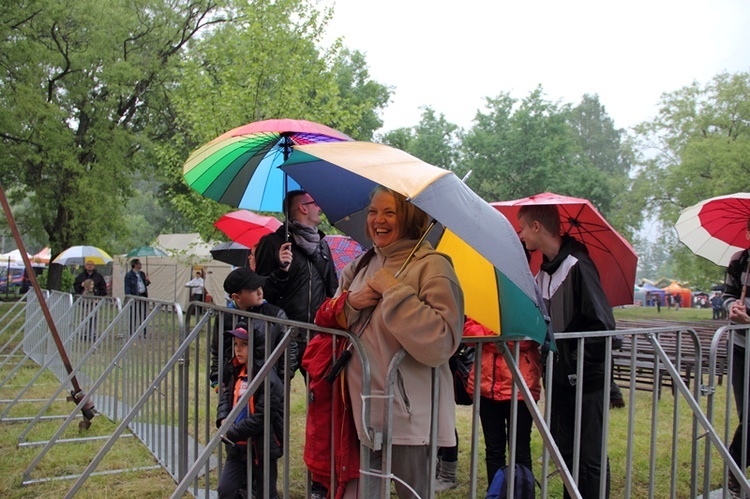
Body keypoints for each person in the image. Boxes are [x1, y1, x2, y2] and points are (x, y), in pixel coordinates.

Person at [315, 186, 464, 498]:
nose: (377, 220)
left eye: (389, 212)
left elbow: (442, 340)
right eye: (373, 211)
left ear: (409, 218)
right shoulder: (361, 264)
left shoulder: (434, 266)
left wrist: (395, 292)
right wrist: (352, 302)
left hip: (408, 417)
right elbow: (329, 320)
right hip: (358, 411)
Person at [517, 204, 614, 499]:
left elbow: (603, 325)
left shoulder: (578, 265)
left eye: (522, 229)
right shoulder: (543, 272)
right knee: (565, 447)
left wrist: (577, 366)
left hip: (585, 380)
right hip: (558, 378)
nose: (520, 235)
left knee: (590, 454)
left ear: (536, 226)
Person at [254, 190, 338, 374]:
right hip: (282, 334)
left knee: (320, 395)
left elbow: (332, 288)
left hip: (316, 334)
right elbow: (261, 292)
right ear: (303, 208)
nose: (320, 207)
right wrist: (281, 271)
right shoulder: (272, 243)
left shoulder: (322, 245)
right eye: (315, 203)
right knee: (274, 394)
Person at [463, 316, 542, 488]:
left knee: (520, 451)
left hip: (519, 389)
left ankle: (522, 493)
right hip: (486, 387)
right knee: (493, 451)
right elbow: (468, 333)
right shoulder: (483, 303)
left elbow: (523, 339)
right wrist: (500, 337)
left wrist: (487, 337)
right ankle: (497, 492)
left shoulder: (523, 302)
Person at [216, 325, 284, 499]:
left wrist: (231, 432)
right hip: (237, 446)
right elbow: (226, 397)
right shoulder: (235, 370)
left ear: (257, 347)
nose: (238, 349)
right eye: (236, 344)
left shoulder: (269, 378)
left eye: (244, 344)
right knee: (225, 491)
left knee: (266, 493)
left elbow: (261, 417)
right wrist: (223, 418)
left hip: (262, 446)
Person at [209, 268, 298, 394]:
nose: (259, 292)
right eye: (252, 290)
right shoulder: (225, 317)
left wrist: (282, 379)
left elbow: (290, 348)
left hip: (268, 385)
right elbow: (218, 349)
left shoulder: (275, 314)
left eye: (259, 286)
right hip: (234, 385)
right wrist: (217, 378)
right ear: (236, 297)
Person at [722, 227, 750, 495]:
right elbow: (727, 294)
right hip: (741, 348)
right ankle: (736, 469)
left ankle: (735, 467)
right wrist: (732, 306)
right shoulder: (739, 261)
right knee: (746, 414)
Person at [124, 259, 150, 336]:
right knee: (134, 314)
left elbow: (144, 284)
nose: (141, 265)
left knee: (143, 314)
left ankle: (143, 331)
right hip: (134, 296)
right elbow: (127, 287)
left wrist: (147, 280)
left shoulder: (142, 274)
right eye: (139, 263)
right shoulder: (129, 275)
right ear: (135, 265)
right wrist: (129, 297)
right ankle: (132, 331)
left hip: (143, 295)